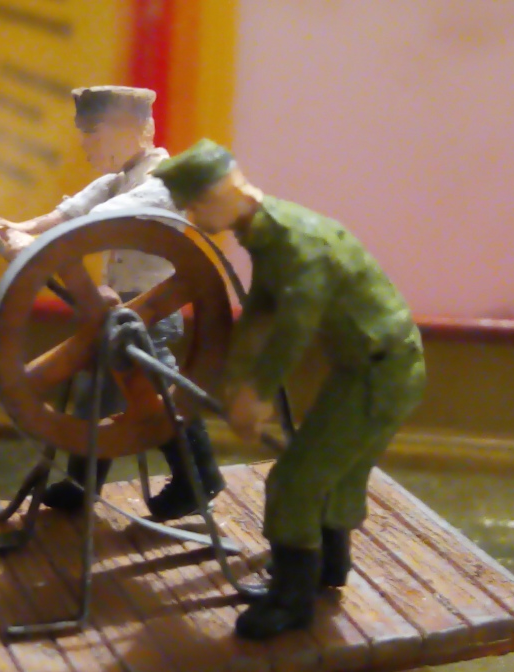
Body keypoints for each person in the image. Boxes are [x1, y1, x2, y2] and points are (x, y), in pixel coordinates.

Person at [154, 140, 427, 640]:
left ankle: (292, 601)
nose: (192, 217)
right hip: (365, 367)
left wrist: (257, 393)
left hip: (382, 374)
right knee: (329, 473)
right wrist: (236, 380)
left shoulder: (298, 243)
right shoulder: (267, 233)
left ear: (222, 194)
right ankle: (328, 568)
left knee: (294, 483)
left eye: (194, 205)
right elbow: (261, 309)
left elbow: (294, 326)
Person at [0, 86, 224, 521]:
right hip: (119, 311)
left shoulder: (162, 183)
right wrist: (18, 227)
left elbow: (98, 223)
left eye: (93, 133)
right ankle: (82, 483)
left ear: (134, 130)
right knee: (96, 397)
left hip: (151, 311)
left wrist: (31, 245)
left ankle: (199, 477)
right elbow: (70, 214)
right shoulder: (117, 178)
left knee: (161, 397)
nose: (84, 144)